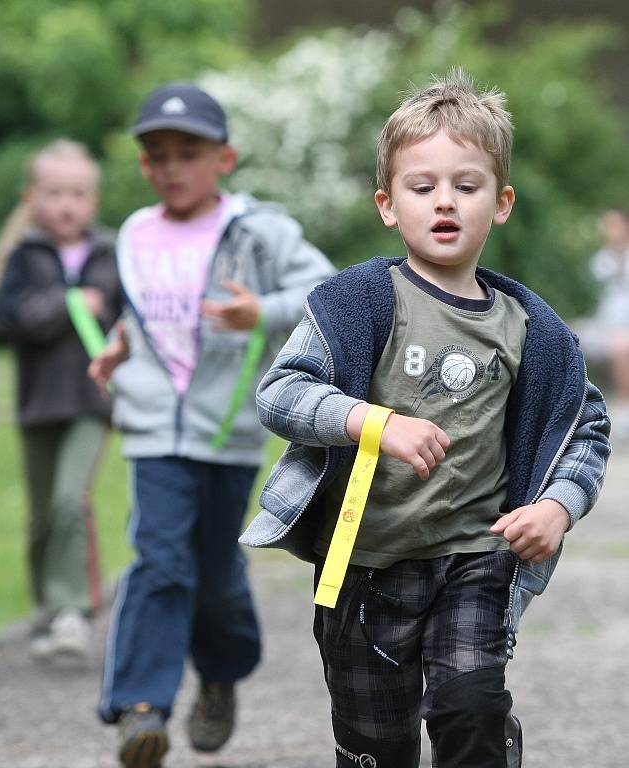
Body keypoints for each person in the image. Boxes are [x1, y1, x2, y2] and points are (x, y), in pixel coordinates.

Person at [242, 69, 611, 767]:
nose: (445, 203)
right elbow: (280, 394)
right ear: (387, 204)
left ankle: (480, 731)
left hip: (474, 557)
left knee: (466, 702)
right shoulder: (356, 304)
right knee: (374, 749)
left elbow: (584, 431)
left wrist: (558, 507)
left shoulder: (531, 328)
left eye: (466, 187)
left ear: (499, 203)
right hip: (364, 567)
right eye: (422, 187)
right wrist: (367, 422)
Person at [89, 82, 335, 767]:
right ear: (143, 165)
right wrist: (118, 343)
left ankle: (221, 674)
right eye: (157, 155)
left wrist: (261, 311)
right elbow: (149, 316)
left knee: (218, 572)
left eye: (187, 153)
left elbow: (326, 292)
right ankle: (142, 708)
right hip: (151, 428)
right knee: (159, 558)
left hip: (227, 430)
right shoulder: (135, 232)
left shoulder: (260, 230)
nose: (171, 167)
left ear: (222, 159)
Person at [0, 140, 121, 659]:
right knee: (42, 516)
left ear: (94, 200)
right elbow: (6, 320)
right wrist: (67, 303)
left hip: (92, 402)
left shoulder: (112, 252)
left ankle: (74, 611)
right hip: (38, 404)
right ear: (32, 198)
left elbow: (128, 319)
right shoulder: (24, 256)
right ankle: (47, 608)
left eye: (79, 193)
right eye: (54, 193)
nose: (67, 204)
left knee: (71, 502)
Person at [576, 208, 629, 400]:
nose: (609, 230)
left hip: (624, 329)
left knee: (622, 346)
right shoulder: (601, 259)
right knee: (567, 334)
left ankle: (625, 405)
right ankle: (580, 400)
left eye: (614, 225)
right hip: (604, 324)